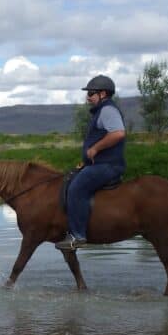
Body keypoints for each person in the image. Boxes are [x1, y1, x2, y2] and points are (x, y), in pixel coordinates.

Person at [55, 74, 126, 251]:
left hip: (108, 165)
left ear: (103, 93)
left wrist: (95, 149)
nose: (88, 97)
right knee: (71, 179)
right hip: (99, 164)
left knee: (76, 188)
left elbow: (118, 133)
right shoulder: (101, 111)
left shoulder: (108, 110)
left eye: (91, 93)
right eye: (88, 93)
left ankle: (77, 235)